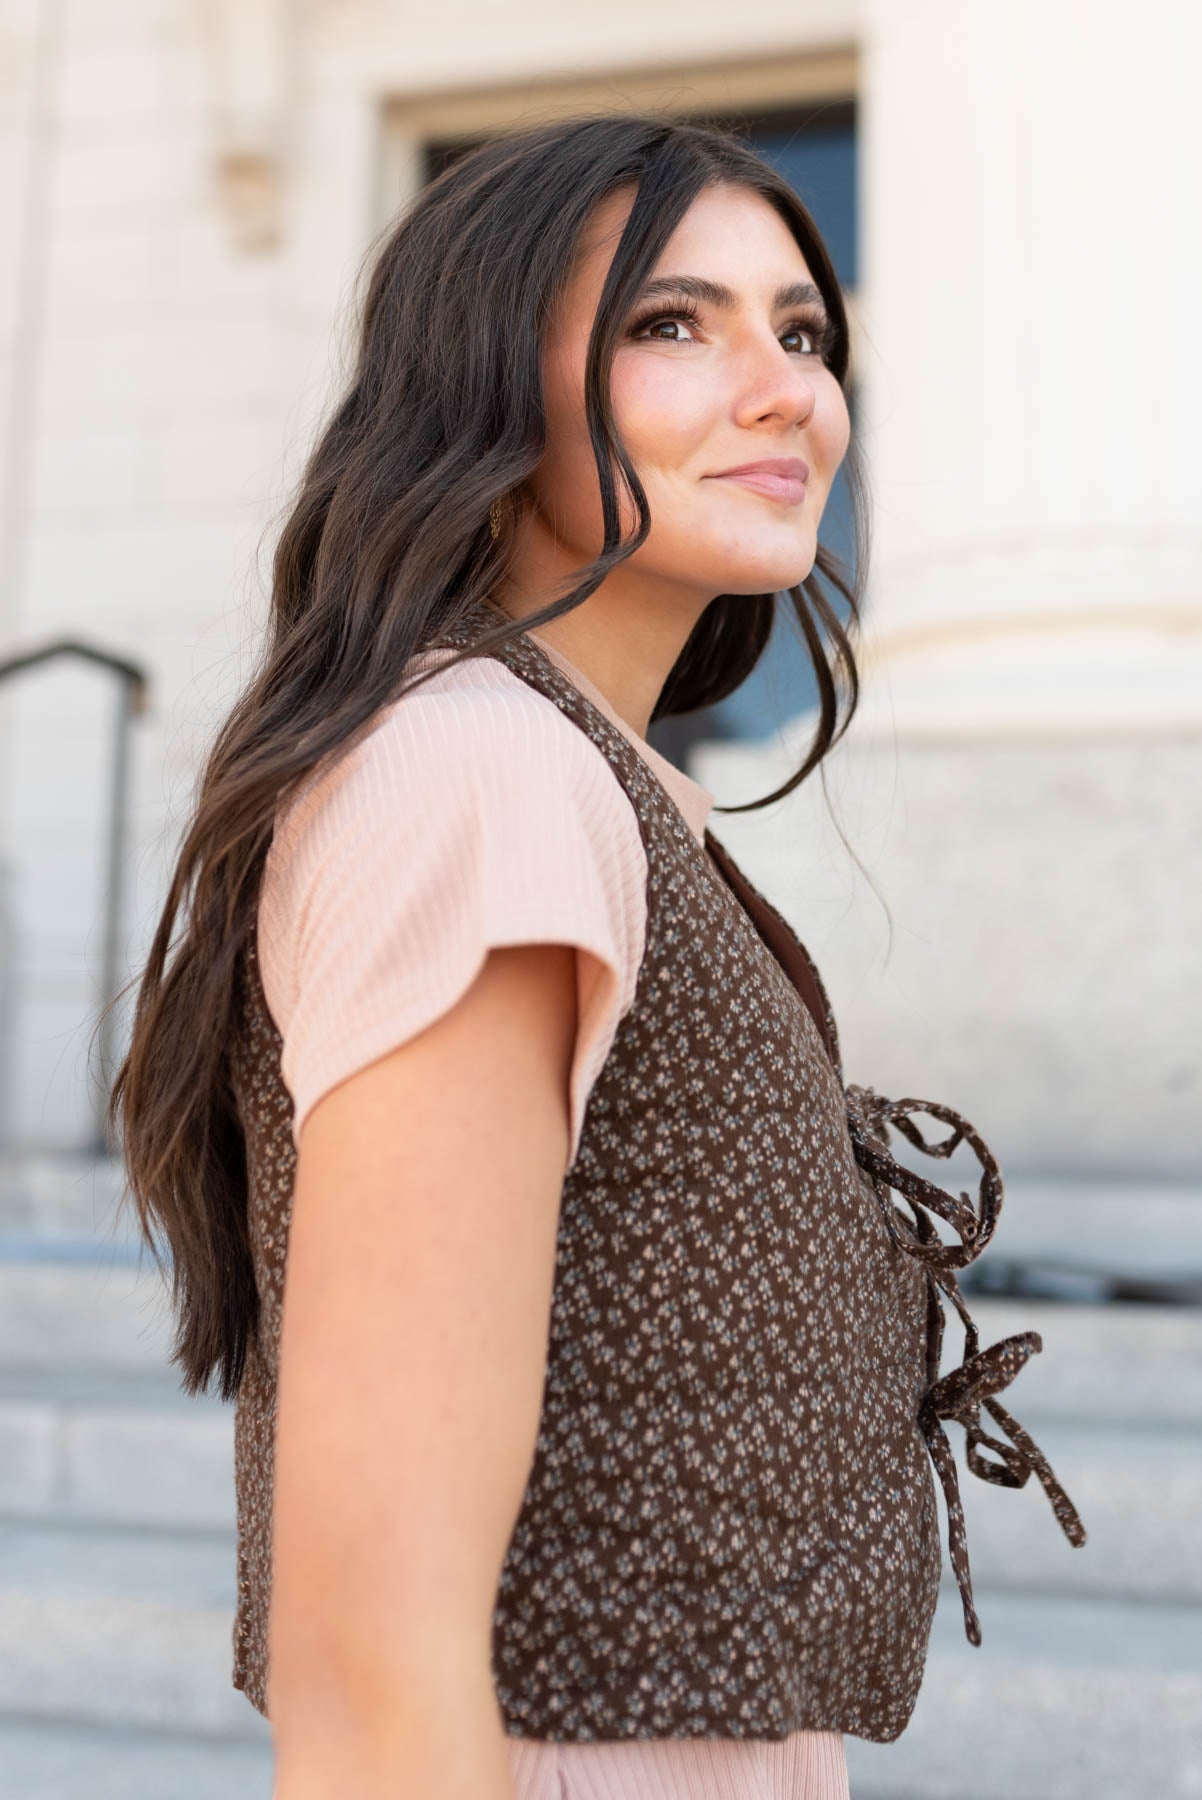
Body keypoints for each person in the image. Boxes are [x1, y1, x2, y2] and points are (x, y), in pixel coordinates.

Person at [106, 112, 1086, 1800]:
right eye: (668, 324)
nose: (783, 388)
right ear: (485, 383)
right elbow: (371, 1647)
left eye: (799, 328)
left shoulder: (583, 775)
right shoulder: (480, 770)